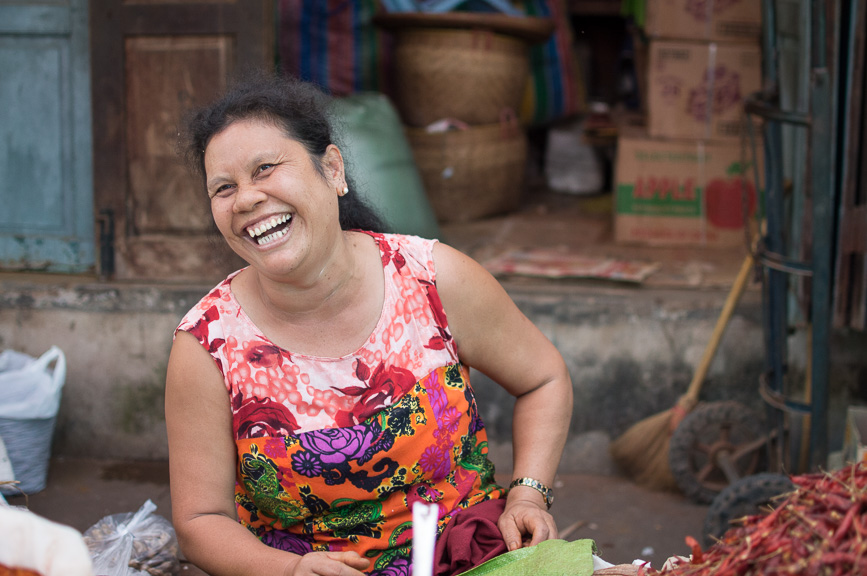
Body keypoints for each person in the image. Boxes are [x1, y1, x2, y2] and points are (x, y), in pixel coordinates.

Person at [165, 71, 573, 576]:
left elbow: (544, 379)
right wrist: (289, 571)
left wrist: (528, 496)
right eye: (224, 188)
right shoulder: (207, 344)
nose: (246, 199)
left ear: (332, 170)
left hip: (473, 558)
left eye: (265, 169)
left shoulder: (431, 279)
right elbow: (200, 519)